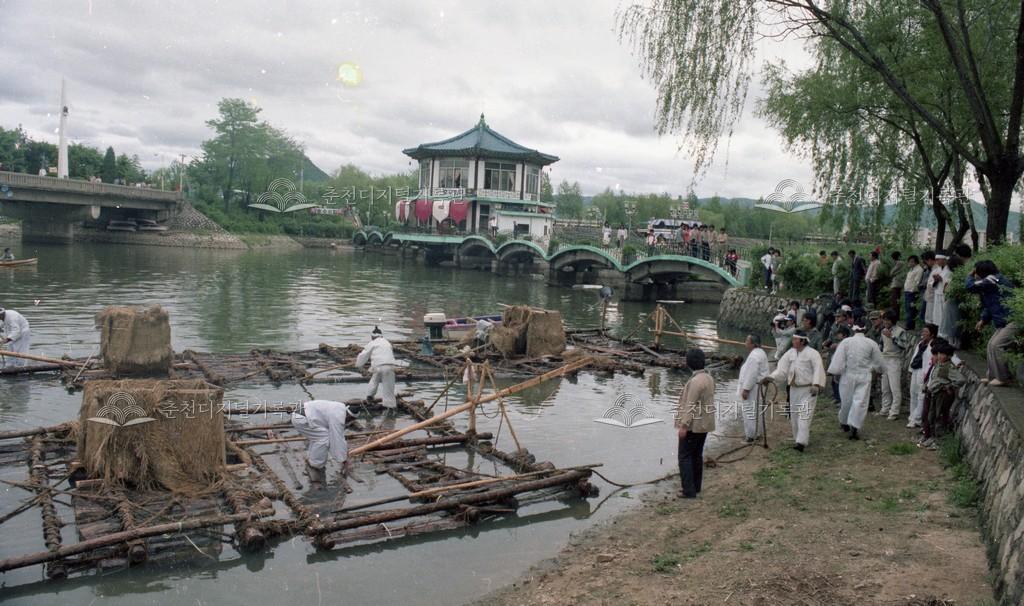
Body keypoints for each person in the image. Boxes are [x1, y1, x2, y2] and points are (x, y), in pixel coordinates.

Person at [762, 330, 827, 451]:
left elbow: (818, 369)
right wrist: (771, 377)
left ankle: (801, 443)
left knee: (804, 415)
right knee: (795, 415)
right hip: (793, 389)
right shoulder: (790, 353)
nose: (793, 341)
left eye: (795, 339)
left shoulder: (813, 354)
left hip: (808, 389)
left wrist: (816, 384)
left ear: (802, 341)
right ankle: (798, 438)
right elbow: (782, 370)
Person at [827, 321, 884, 440]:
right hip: (864, 375)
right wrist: (878, 370)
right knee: (860, 401)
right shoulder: (871, 343)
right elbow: (879, 361)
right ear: (865, 330)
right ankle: (854, 426)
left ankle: (844, 422)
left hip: (848, 375)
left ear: (853, 330)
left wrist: (836, 372)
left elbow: (839, 359)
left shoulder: (846, 342)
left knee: (846, 401)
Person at [967, 260, 1018, 386]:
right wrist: (983, 320)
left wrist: (969, 275)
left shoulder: (994, 279)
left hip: (1013, 320)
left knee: (996, 345)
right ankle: (992, 377)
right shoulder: (991, 281)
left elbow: (970, 286)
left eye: (976, 271)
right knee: (991, 345)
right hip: (1004, 320)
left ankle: (1003, 378)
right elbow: (990, 304)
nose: (975, 274)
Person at [674, 348, 715, 499]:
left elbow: (690, 404)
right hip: (705, 423)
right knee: (697, 455)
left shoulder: (695, 381)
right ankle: (696, 487)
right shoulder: (708, 378)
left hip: (693, 425)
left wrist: (684, 426)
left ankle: (688, 490)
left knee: (684, 457)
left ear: (689, 362)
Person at [291, 399, 352, 487]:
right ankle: (315, 465)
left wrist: (342, 456)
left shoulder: (340, 408)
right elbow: (337, 438)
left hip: (301, 415)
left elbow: (338, 437)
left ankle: (313, 460)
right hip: (301, 419)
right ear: (349, 415)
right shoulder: (338, 416)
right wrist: (343, 460)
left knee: (318, 437)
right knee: (323, 438)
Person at [920, 341, 964, 449]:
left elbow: (961, 380)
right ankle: (932, 437)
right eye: (939, 354)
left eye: (942, 354)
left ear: (948, 356)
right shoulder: (939, 365)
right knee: (932, 416)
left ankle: (940, 440)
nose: (939, 356)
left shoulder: (949, 367)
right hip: (935, 394)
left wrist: (948, 386)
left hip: (943, 395)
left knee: (940, 416)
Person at [878, 310, 911, 420]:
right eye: (884, 320)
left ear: (893, 321)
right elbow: (881, 345)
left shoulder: (900, 331)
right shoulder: (883, 330)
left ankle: (894, 411)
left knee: (895, 387)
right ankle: (885, 408)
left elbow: (904, 346)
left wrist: (892, 337)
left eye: (887, 320)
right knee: (885, 387)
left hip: (895, 359)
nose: (885, 322)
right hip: (884, 358)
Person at [737, 334, 770, 443]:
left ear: (753, 344)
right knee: (757, 410)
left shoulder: (754, 356)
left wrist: (746, 389)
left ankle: (751, 436)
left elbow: (752, 374)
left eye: (747, 340)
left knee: (749, 411)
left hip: (753, 388)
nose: (745, 342)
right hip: (758, 387)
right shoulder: (760, 353)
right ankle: (757, 433)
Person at [355, 326, 397, 409]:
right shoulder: (387, 343)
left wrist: (358, 365)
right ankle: (390, 406)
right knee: (388, 387)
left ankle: (369, 397)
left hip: (378, 366)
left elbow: (363, 355)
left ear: (372, 337)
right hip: (389, 366)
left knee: (374, 380)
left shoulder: (372, 343)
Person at [906, 323, 937, 428]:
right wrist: (910, 369)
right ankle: (912, 416)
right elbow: (915, 356)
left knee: (921, 396)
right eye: (923, 331)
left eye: (926, 332)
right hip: (916, 369)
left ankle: (917, 418)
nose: (923, 334)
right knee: (913, 393)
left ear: (932, 335)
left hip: (923, 372)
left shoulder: (934, 345)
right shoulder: (920, 343)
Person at [902, 255, 923, 330]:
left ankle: (910, 326)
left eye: (911, 261)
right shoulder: (911, 269)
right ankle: (909, 324)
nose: (909, 263)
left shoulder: (919, 269)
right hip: (907, 291)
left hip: (912, 292)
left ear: (915, 262)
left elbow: (917, 282)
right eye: (909, 261)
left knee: (911, 309)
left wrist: (912, 290)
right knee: (908, 309)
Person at [888, 251, 906, 318]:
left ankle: (895, 316)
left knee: (895, 301)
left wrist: (893, 273)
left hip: (897, 283)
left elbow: (891, 273)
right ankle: (895, 315)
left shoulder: (899, 263)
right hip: (897, 283)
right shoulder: (899, 263)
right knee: (895, 300)